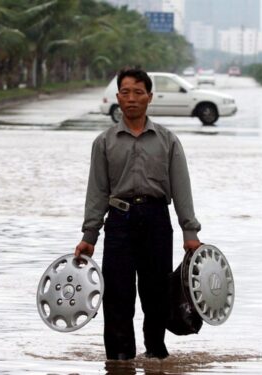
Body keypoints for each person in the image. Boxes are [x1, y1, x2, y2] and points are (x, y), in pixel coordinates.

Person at [74, 68, 202, 361]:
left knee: (156, 294)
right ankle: (119, 361)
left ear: (149, 97)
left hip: (157, 221)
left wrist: (190, 233)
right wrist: (89, 236)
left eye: (138, 93)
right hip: (119, 223)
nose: (131, 99)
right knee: (117, 295)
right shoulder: (104, 142)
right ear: (118, 97)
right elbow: (96, 192)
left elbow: (182, 188)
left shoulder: (167, 140)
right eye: (126, 93)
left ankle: (155, 355)